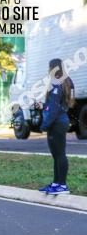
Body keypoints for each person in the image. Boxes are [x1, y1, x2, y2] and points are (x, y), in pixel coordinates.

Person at [39, 58, 75, 195]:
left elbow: (53, 109)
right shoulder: (68, 81)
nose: (48, 70)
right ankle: (56, 184)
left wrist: (44, 125)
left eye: (49, 67)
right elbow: (67, 101)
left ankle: (62, 185)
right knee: (57, 155)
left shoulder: (55, 83)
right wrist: (43, 106)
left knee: (59, 154)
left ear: (53, 68)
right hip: (62, 119)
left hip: (56, 123)